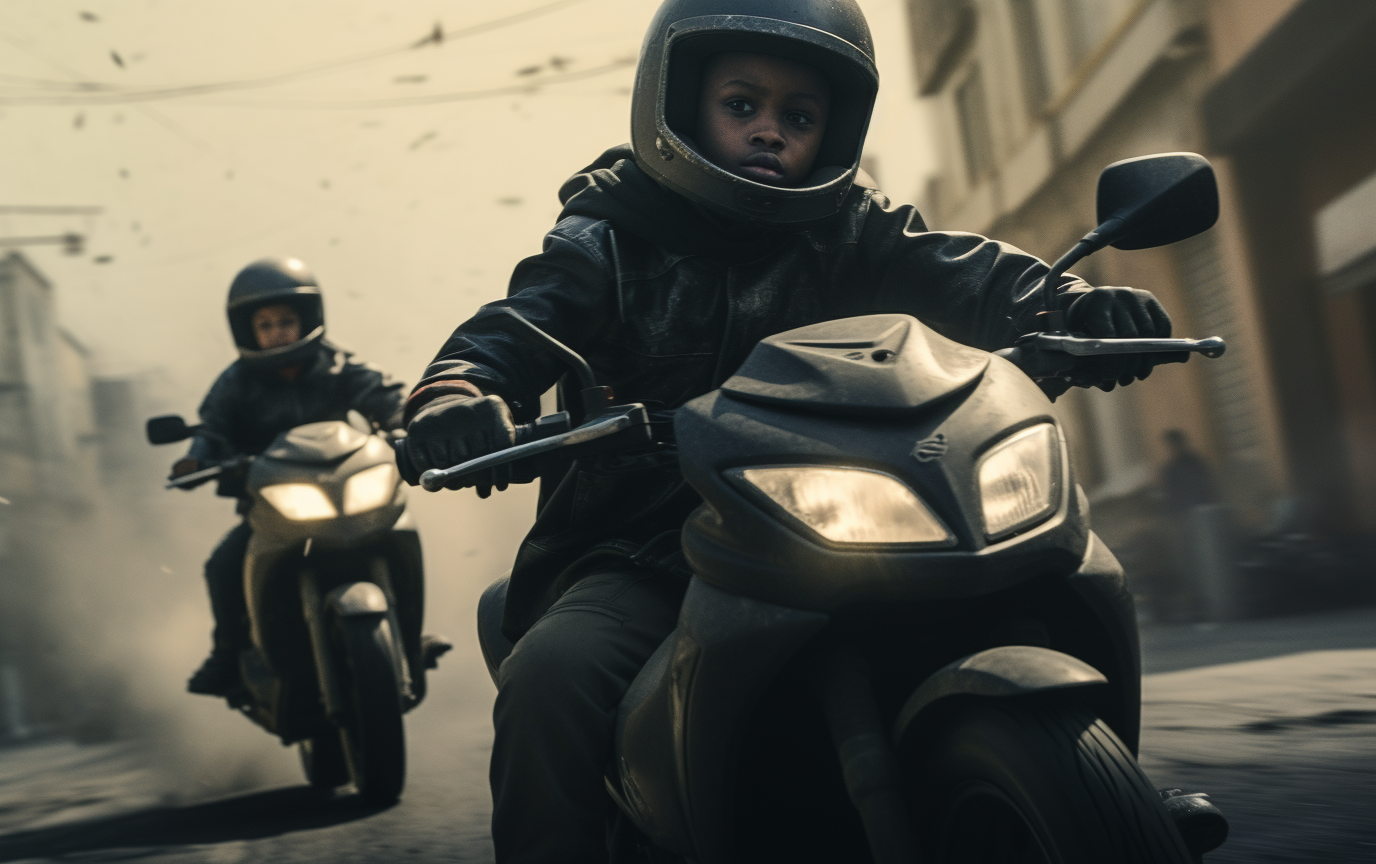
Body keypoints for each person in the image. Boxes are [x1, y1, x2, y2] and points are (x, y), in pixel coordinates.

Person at [403, 2, 1181, 859]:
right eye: (742, 105)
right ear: (679, 104)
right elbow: (519, 325)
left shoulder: (857, 225)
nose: (770, 132)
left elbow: (967, 270)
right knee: (551, 678)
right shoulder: (606, 239)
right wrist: (458, 390)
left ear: (832, 131)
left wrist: (1070, 305)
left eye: (798, 116)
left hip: (857, 511)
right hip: (655, 546)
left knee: (1057, 564)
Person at [175, 257, 407, 696]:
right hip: (271, 510)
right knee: (222, 565)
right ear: (248, 331)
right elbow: (211, 428)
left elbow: (383, 392)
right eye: (265, 324)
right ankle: (227, 654)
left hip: (349, 495)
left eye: (286, 320)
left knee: (399, 529)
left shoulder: (338, 364)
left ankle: (410, 632)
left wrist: (405, 418)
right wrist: (196, 458)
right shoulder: (234, 383)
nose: (277, 331)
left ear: (307, 321)